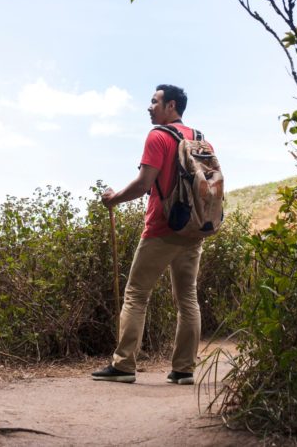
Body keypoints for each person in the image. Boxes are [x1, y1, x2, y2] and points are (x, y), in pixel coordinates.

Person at [92, 84, 206, 385]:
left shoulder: (158, 136)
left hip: (161, 229)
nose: (149, 106)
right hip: (193, 229)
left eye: (154, 101)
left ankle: (124, 365)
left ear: (171, 106)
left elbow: (144, 183)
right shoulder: (199, 138)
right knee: (187, 298)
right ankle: (184, 369)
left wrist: (114, 198)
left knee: (136, 294)